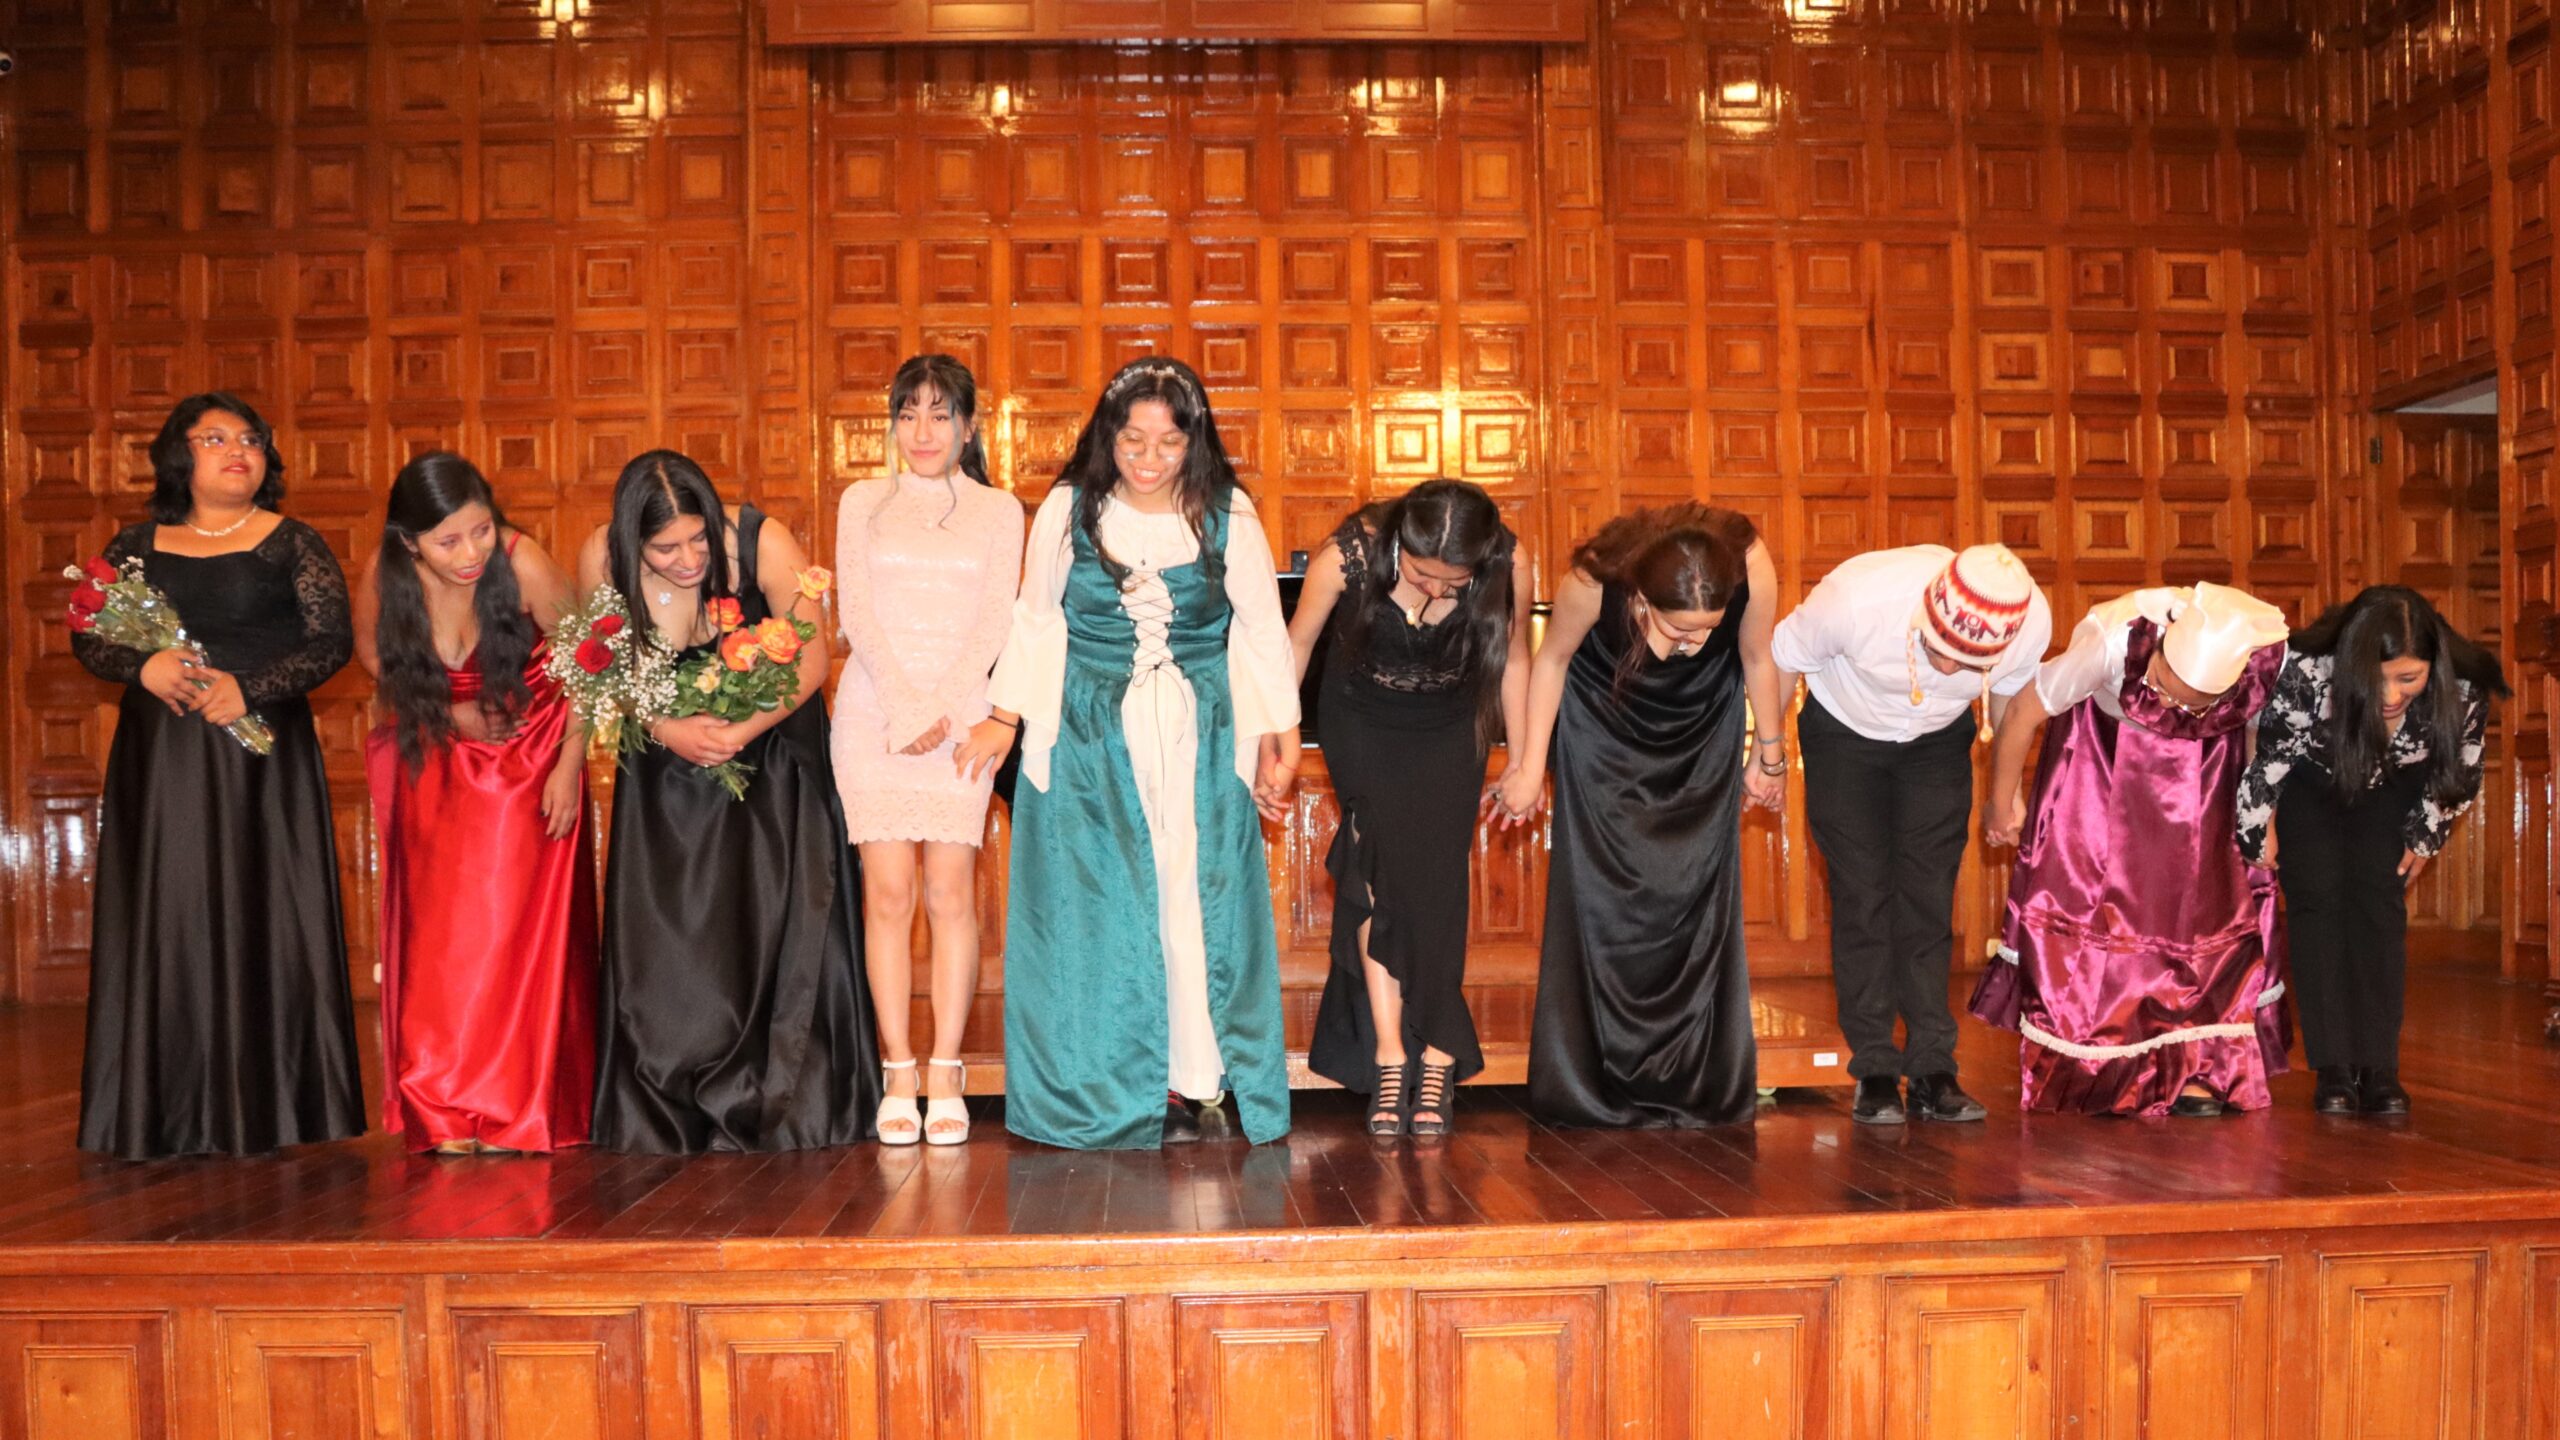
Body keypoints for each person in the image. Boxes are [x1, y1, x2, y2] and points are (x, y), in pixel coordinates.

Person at [957, 356, 1300, 1150]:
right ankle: (1107, 1085)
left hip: (1200, 733)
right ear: (1107, 437)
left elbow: (1260, 630)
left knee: (1191, 899)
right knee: (1102, 907)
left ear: (1194, 442)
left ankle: (1197, 1076)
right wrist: (1005, 718)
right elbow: (1037, 617)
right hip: (1089, 735)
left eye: (1169, 442)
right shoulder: (1069, 508)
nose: (1149, 458)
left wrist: (1279, 739)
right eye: (1133, 440)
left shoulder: (1228, 513)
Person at [71, 392, 366, 1159]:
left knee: (262, 915)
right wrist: (143, 666)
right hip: (163, 766)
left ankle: (273, 1110)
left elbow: (330, 641)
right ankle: (163, 1111)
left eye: (251, 440)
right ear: (180, 455)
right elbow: (90, 639)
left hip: (262, 763)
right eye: (215, 439)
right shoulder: (135, 545)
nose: (238, 451)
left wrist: (251, 689)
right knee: (170, 916)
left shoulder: (291, 542)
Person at [578, 450, 878, 1153]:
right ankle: (667, 1101)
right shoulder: (601, 555)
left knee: (764, 920)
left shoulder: (763, 541)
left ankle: (781, 1097)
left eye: (698, 539)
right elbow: (605, 665)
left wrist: (740, 730)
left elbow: (811, 659)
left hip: (769, 759)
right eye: (665, 548)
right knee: (675, 939)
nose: (688, 559)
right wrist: (667, 729)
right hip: (665, 771)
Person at [1497, 505, 1783, 1128]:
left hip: (1703, 725)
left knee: (1692, 890)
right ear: (1643, 600)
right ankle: (1593, 1076)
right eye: (1681, 628)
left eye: (1708, 628)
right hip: (1604, 725)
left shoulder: (1749, 561)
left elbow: (1757, 655)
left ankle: (1693, 1075)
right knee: (1606, 897)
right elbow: (1552, 660)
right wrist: (1529, 766)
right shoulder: (1595, 578)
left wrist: (1770, 756)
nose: (1695, 643)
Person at [1971, 584, 2293, 1117]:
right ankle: (2100, 1067)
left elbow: (2263, 744)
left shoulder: (2260, 659)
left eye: (2192, 702)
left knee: (2201, 918)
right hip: (2103, 765)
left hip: (2207, 778)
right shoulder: (2112, 641)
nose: (2170, 707)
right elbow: (2025, 712)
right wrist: (2001, 803)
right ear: (2160, 651)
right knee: (2106, 914)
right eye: (2164, 688)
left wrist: (2262, 822)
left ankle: (2197, 1068)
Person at [356, 452, 598, 1154]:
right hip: (437, 754)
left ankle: (519, 1105)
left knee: (518, 940)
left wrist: (568, 766)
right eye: (448, 541)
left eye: (481, 531)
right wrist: (441, 711)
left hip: (531, 758)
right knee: (445, 946)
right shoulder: (384, 575)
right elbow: (374, 656)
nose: (470, 554)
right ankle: (446, 1106)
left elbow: (589, 661)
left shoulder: (524, 563)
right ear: (410, 542)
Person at [1769, 544, 2050, 1125]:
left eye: (1968, 663)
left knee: (1928, 898)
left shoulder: (2029, 620)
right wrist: (1767, 756)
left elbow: (2008, 703)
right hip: (1843, 733)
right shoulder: (1856, 599)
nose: (1949, 669)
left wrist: (2006, 795)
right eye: (1940, 650)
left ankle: (1932, 1068)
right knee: (1863, 894)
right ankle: (1874, 1066)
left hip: (1938, 743)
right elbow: (1782, 656)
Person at [1287, 480, 1530, 1138]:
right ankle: (1391, 1055)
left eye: (1455, 582)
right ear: (1400, 544)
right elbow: (1297, 645)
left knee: (1437, 885)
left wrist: (1526, 760)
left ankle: (1441, 1054)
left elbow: (1515, 661)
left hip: (1451, 727)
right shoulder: (1348, 556)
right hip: (1361, 721)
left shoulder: (1508, 562)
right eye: (1424, 575)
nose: (1437, 589)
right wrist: (1274, 742)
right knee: (1373, 874)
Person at [833, 356, 1024, 1146]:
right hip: (873, 716)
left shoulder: (999, 510)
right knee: (886, 894)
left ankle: (946, 1070)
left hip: (962, 720)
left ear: (968, 427)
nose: (923, 431)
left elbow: (996, 620)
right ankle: (897, 1072)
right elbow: (856, 612)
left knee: (950, 893)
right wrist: (905, 705)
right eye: (909, 413)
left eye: (941, 414)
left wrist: (941, 709)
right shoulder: (862, 501)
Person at [2236, 586, 2506, 1116]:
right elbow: (2270, 756)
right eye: (2376, 679)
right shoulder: (2309, 671)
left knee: (2378, 907)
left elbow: (2462, 769)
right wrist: (2258, 824)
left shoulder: (2463, 687)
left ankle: (2380, 1067)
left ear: (2433, 666)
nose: (2390, 695)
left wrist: (2425, 836)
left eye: (2409, 678)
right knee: (2317, 904)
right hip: (2313, 784)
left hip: (2393, 788)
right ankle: (2334, 1068)